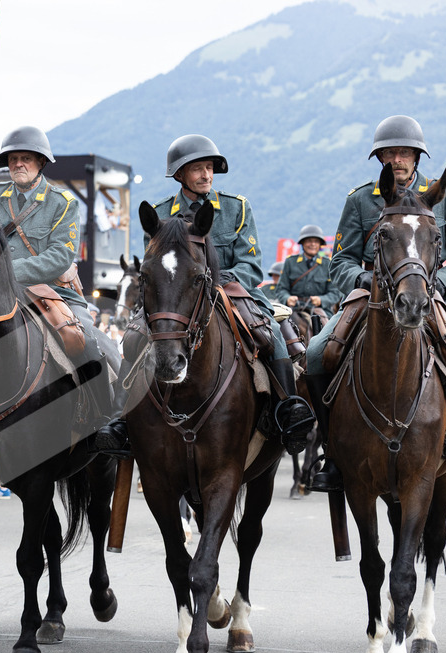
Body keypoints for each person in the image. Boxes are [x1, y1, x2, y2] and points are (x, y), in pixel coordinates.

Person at [305, 115, 446, 491]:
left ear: (417, 157)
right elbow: (341, 259)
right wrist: (362, 279)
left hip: (433, 295)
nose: (397, 158)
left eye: (404, 152)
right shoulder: (361, 200)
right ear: (380, 158)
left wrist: (437, 283)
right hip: (374, 296)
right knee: (314, 353)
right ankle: (331, 452)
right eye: (390, 152)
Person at [95, 134, 314, 459]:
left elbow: (251, 265)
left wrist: (213, 283)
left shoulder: (236, 209)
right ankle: (120, 420)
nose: (206, 175)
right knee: (134, 337)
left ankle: (286, 410)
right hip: (176, 299)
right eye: (197, 168)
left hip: (232, 290)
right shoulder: (159, 214)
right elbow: (157, 271)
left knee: (272, 330)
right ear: (180, 174)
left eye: (209, 168)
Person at [0, 126, 115, 431]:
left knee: (84, 339)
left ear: (41, 163)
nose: (19, 164)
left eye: (26, 159)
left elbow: (60, 257)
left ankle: (105, 421)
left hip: (53, 290)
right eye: (13, 159)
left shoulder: (63, 202)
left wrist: (3, 273)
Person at [277, 224, 341, 330]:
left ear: (320, 244)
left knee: (329, 334)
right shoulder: (290, 262)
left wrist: (321, 300)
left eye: (316, 241)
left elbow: (335, 293)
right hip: (294, 308)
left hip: (319, 310)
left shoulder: (327, 264)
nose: (312, 244)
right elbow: (281, 289)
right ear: (302, 243)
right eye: (309, 241)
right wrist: (287, 298)